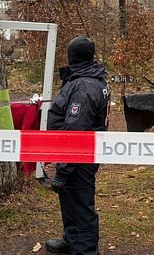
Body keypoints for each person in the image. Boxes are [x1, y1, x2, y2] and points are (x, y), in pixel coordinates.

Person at [43, 36, 110, 255]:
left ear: (73, 57)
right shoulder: (88, 77)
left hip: (78, 158)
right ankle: (71, 240)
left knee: (81, 205)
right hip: (77, 156)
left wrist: (63, 169)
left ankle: (86, 250)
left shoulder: (84, 85)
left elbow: (75, 133)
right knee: (70, 199)